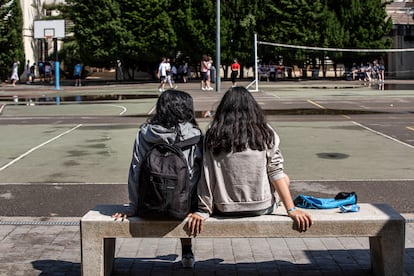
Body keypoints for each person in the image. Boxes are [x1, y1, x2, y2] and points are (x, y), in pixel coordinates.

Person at [186, 86, 313, 236]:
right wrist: (291, 209)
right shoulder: (265, 132)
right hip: (261, 205)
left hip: (224, 207)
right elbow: (275, 172)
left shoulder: (213, 134)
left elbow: (207, 174)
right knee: (285, 178)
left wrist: (203, 210)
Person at [112, 89, 203, 268]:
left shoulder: (145, 134)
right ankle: (187, 252)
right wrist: (201, 208)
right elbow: (197, 174)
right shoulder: (195, 135)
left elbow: (136, 169)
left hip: (149, 201)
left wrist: (133, 206)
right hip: (185, 205)